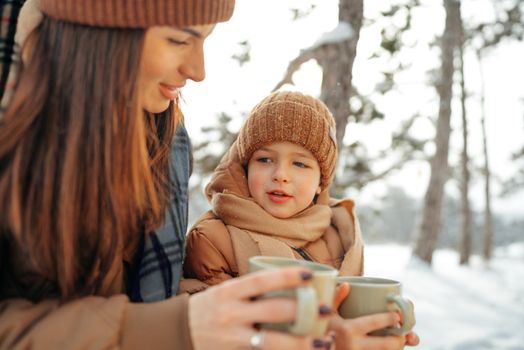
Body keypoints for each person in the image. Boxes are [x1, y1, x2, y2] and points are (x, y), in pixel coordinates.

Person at [0, 0, 419, 349]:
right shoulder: (15, 126)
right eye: (180, 38)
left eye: (205, 39)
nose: (198, 70)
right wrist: (177, 327)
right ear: (102, 31)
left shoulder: (163, 139)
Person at [183, 91, 365, 288]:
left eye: (300, 164)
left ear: (321, 182)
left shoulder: (339, 236)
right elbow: (218, 314)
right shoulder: (213, 239)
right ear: (246, 168)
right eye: (265, 160)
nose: (280, 175)